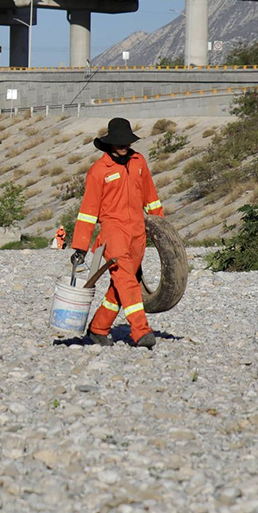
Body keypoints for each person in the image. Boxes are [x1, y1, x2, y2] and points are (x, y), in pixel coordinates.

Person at [69, 118, 165, 349]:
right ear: (110, 144)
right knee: (127, 282)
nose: (124, 146)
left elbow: (151, 197)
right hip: (113, 232)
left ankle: (98, 329)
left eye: (127, 142)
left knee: (121, 285)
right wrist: (80, 246)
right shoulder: (99, 171)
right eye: (119, 142)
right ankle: (141, 331)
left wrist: (163, 232)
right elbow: (88, 212)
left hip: (138, 232)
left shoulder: (139, 161)